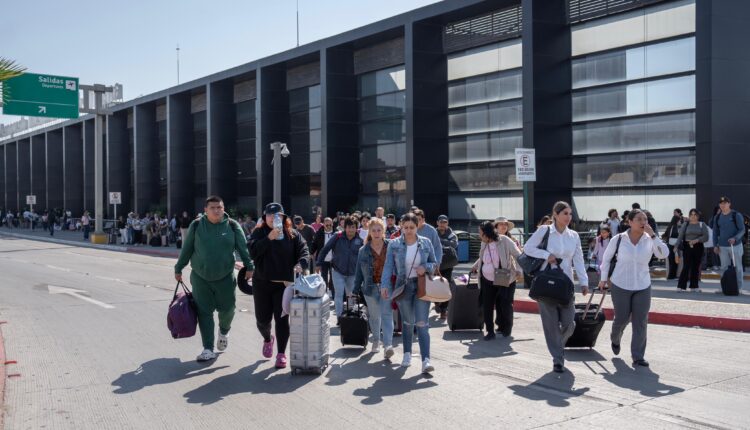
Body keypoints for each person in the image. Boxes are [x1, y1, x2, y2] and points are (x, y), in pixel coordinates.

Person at [174, 196, 254, 362]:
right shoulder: (196, 225)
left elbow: (243, 248)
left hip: (225, 277)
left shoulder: (232, 225)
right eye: (213, 208)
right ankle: (208, 348)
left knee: (228, 310)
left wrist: (249, 267)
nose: (217, 210)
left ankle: (224, 331)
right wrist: (178, 267)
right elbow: (187, 249)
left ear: (223, 208)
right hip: (200, 278)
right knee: (204, 313)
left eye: (219, 207)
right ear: (205, 210)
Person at [523, 201, 589, 373]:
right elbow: (527, 247)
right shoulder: (544, 231)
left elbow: (579, 259)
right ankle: (558, 359)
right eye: (565, 213)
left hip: (566, 284)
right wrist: (547, 255)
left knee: (570, 323)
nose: (568, 217)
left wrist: (584, 282)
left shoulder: (573, 235)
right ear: (556, 214)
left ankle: (557, 345)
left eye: (570, 214)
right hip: (546, 284)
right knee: (551, 325)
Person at [599, 209, 668, 368]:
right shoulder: (618, 239)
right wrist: (603, 280)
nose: (643, 222)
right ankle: (615, 337)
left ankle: (638, 356)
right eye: (639, 219)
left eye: (645, 219)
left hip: (643, 285)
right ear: (629, 222)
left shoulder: (649, 239)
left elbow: (663, 254)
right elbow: (607, 259)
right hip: (620, 284)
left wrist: (653, 236)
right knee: (622, 318)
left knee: (640, 321)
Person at [248, 203, 309, 369]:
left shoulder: (292, 234)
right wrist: (269, 238)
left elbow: (304, 250)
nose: (273, 219)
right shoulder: (259, 233)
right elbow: (251, 252)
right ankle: (268, 339)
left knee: (281, 320)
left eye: (277, 216)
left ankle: (281, 353)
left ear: (283, 218)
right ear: (264, 217)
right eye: (270, 215)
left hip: (284, 285)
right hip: (262, 283)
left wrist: (301, 264)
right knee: (262, 320)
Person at [380, 212, 438, 374]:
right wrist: (385, 285)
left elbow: (434, 263)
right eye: (405, 227)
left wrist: (425, 267)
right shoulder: (394, 244)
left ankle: (426, 360)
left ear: (417, 226)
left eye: (412, 227)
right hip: (403, 287)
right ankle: (407, 354)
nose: (409, 230)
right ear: (401, 227)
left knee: (422, 323)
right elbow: (388, 266)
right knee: (407, 323)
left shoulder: (425, 243)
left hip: (421, 286)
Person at [471, 220, 522, 339]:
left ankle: (507, 327)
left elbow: (518, 254)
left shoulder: (504, 240)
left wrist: (519, 270)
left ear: (487, 233)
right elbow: (482, 257)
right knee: (487, 305)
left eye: (480, 233)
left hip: (503, 276)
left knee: (505, 303)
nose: (479, 235)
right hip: (486, 279)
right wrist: (476, 266)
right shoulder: (484, 243)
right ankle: (490, 331)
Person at [352, 218, 394, 356]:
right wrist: (355, 290)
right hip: (370, 288)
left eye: (379, 230)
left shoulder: (391, 246)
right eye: (373, 230)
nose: (376, 233)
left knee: (387, 315)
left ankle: (388, 345)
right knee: (375, 317)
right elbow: (358, 272)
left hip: (387, 286)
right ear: (369, 232)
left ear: (383, 231)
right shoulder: (363, 250)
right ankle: (376, 340)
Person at [315, 216, 364, 323]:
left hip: (352, 273)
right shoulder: (337, 237)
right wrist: (319, 263)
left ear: (356, 228)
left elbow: (364, 258)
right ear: (344, 227)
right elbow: (325, 249)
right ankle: (340, 318)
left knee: (351, 296)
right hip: (337, 271)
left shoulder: (360, 240)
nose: (351, 230)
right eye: (348, 227)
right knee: (339, 294)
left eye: (353, 227)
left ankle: (351, 316)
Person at [712, 196, 746, 294]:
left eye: (725, 203)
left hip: (735, 246)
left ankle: (739, 288)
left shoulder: (736, 215)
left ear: (729, 204)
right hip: (722, 247)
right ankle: (725, 287)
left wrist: (735, 238)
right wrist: (715, 245)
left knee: (738, 267)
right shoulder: (717, 217)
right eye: (721, 203)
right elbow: (715, 232)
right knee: (724, 268)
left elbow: (742, 230)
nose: (723, 205)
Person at [675, 209, 709, 292]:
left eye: (695, 215)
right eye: (691, 215)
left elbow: (706, 237)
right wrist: (676, 246)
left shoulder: (702, 224)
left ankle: (694, 286)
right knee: (686, 266)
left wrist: (697, 240)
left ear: (698, 216)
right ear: (689, 216)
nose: (693, 216)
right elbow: (680, 236)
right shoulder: (685, 224)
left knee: (696, 266)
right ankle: (681, 286)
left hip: (698, 246)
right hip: (687, 246)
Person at [435, 215, 458, 319]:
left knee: (446, 286)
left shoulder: (452, 234)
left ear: (447, 223)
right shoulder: (433, 232)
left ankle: (444, 310)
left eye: (445, 222)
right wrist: (444, 243)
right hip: (435, 264)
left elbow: (453, 245)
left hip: (448, 264)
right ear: (437, 223)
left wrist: (439, 241)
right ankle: (436, 302)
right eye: (441, 222)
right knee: (434, 284)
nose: (442, 224)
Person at [312, 217, 336, 296]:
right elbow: (314, 244)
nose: (329, 226)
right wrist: (311, 253)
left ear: (332, 224)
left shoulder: (336, 233)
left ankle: (333, 295)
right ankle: (324, 294)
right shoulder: (319, 233)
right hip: (323, 260)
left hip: (334, 260)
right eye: (327, 225)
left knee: (333, 278)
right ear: (323, 225)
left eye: (330, 225)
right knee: (324, 277)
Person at [662, 212, 684, 280]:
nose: (680, 221)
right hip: (674, 246)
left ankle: (670, 276)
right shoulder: (675, 227)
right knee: (675, 261)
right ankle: (672, 276)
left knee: (672, 261)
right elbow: (676, 236)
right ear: (676, 221)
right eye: (679, 220)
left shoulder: (670, 226)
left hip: (669, 245)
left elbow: (665, 235)